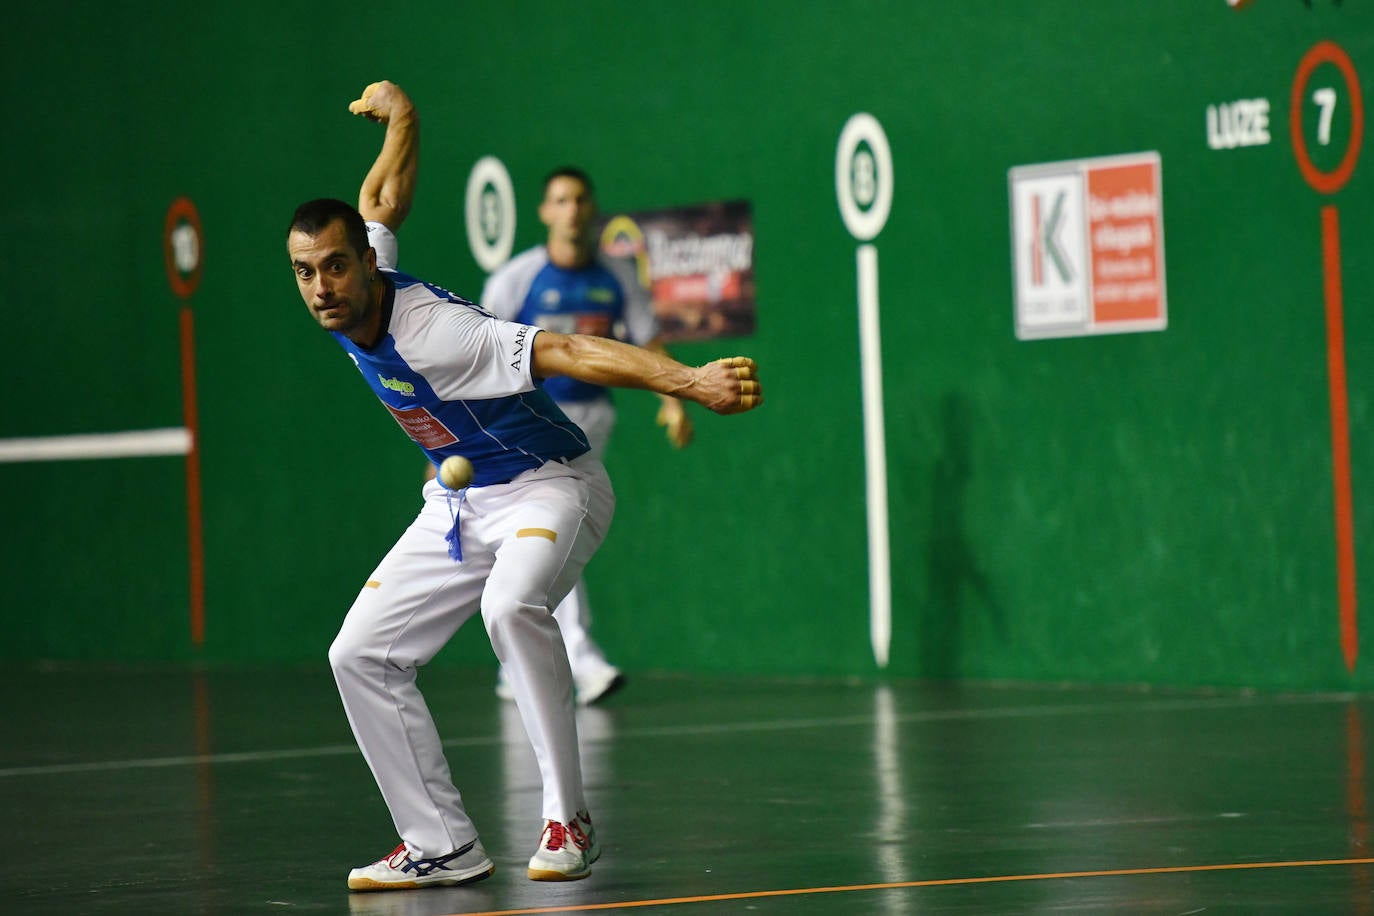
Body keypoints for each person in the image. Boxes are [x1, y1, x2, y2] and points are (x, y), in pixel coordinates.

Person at [285, 79, 762, 892]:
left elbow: (570, 352)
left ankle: (567, 819)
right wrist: (404, 118)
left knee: (510, 606)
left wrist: (689, 382)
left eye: (336, 267)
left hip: (554, 485)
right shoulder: (356, 280)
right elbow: (381, 198)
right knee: (358, 653)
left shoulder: (440, 335)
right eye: (305, 273)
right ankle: (439, 843)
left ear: (365, 267)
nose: (322, 287)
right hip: (460, 502)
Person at [479, 165, 691, 707]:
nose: (571, 209)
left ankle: (517, 661)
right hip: (532, 422)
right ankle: (583, 658)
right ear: (545, 213)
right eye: (560, 200)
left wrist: (674, 402)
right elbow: (479, 358)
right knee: (557, 535)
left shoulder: (618, 277)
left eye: (579, 199)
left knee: (550, 540)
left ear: (592, 209)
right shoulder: (516, 279)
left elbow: (648, 345)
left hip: (594, 420)